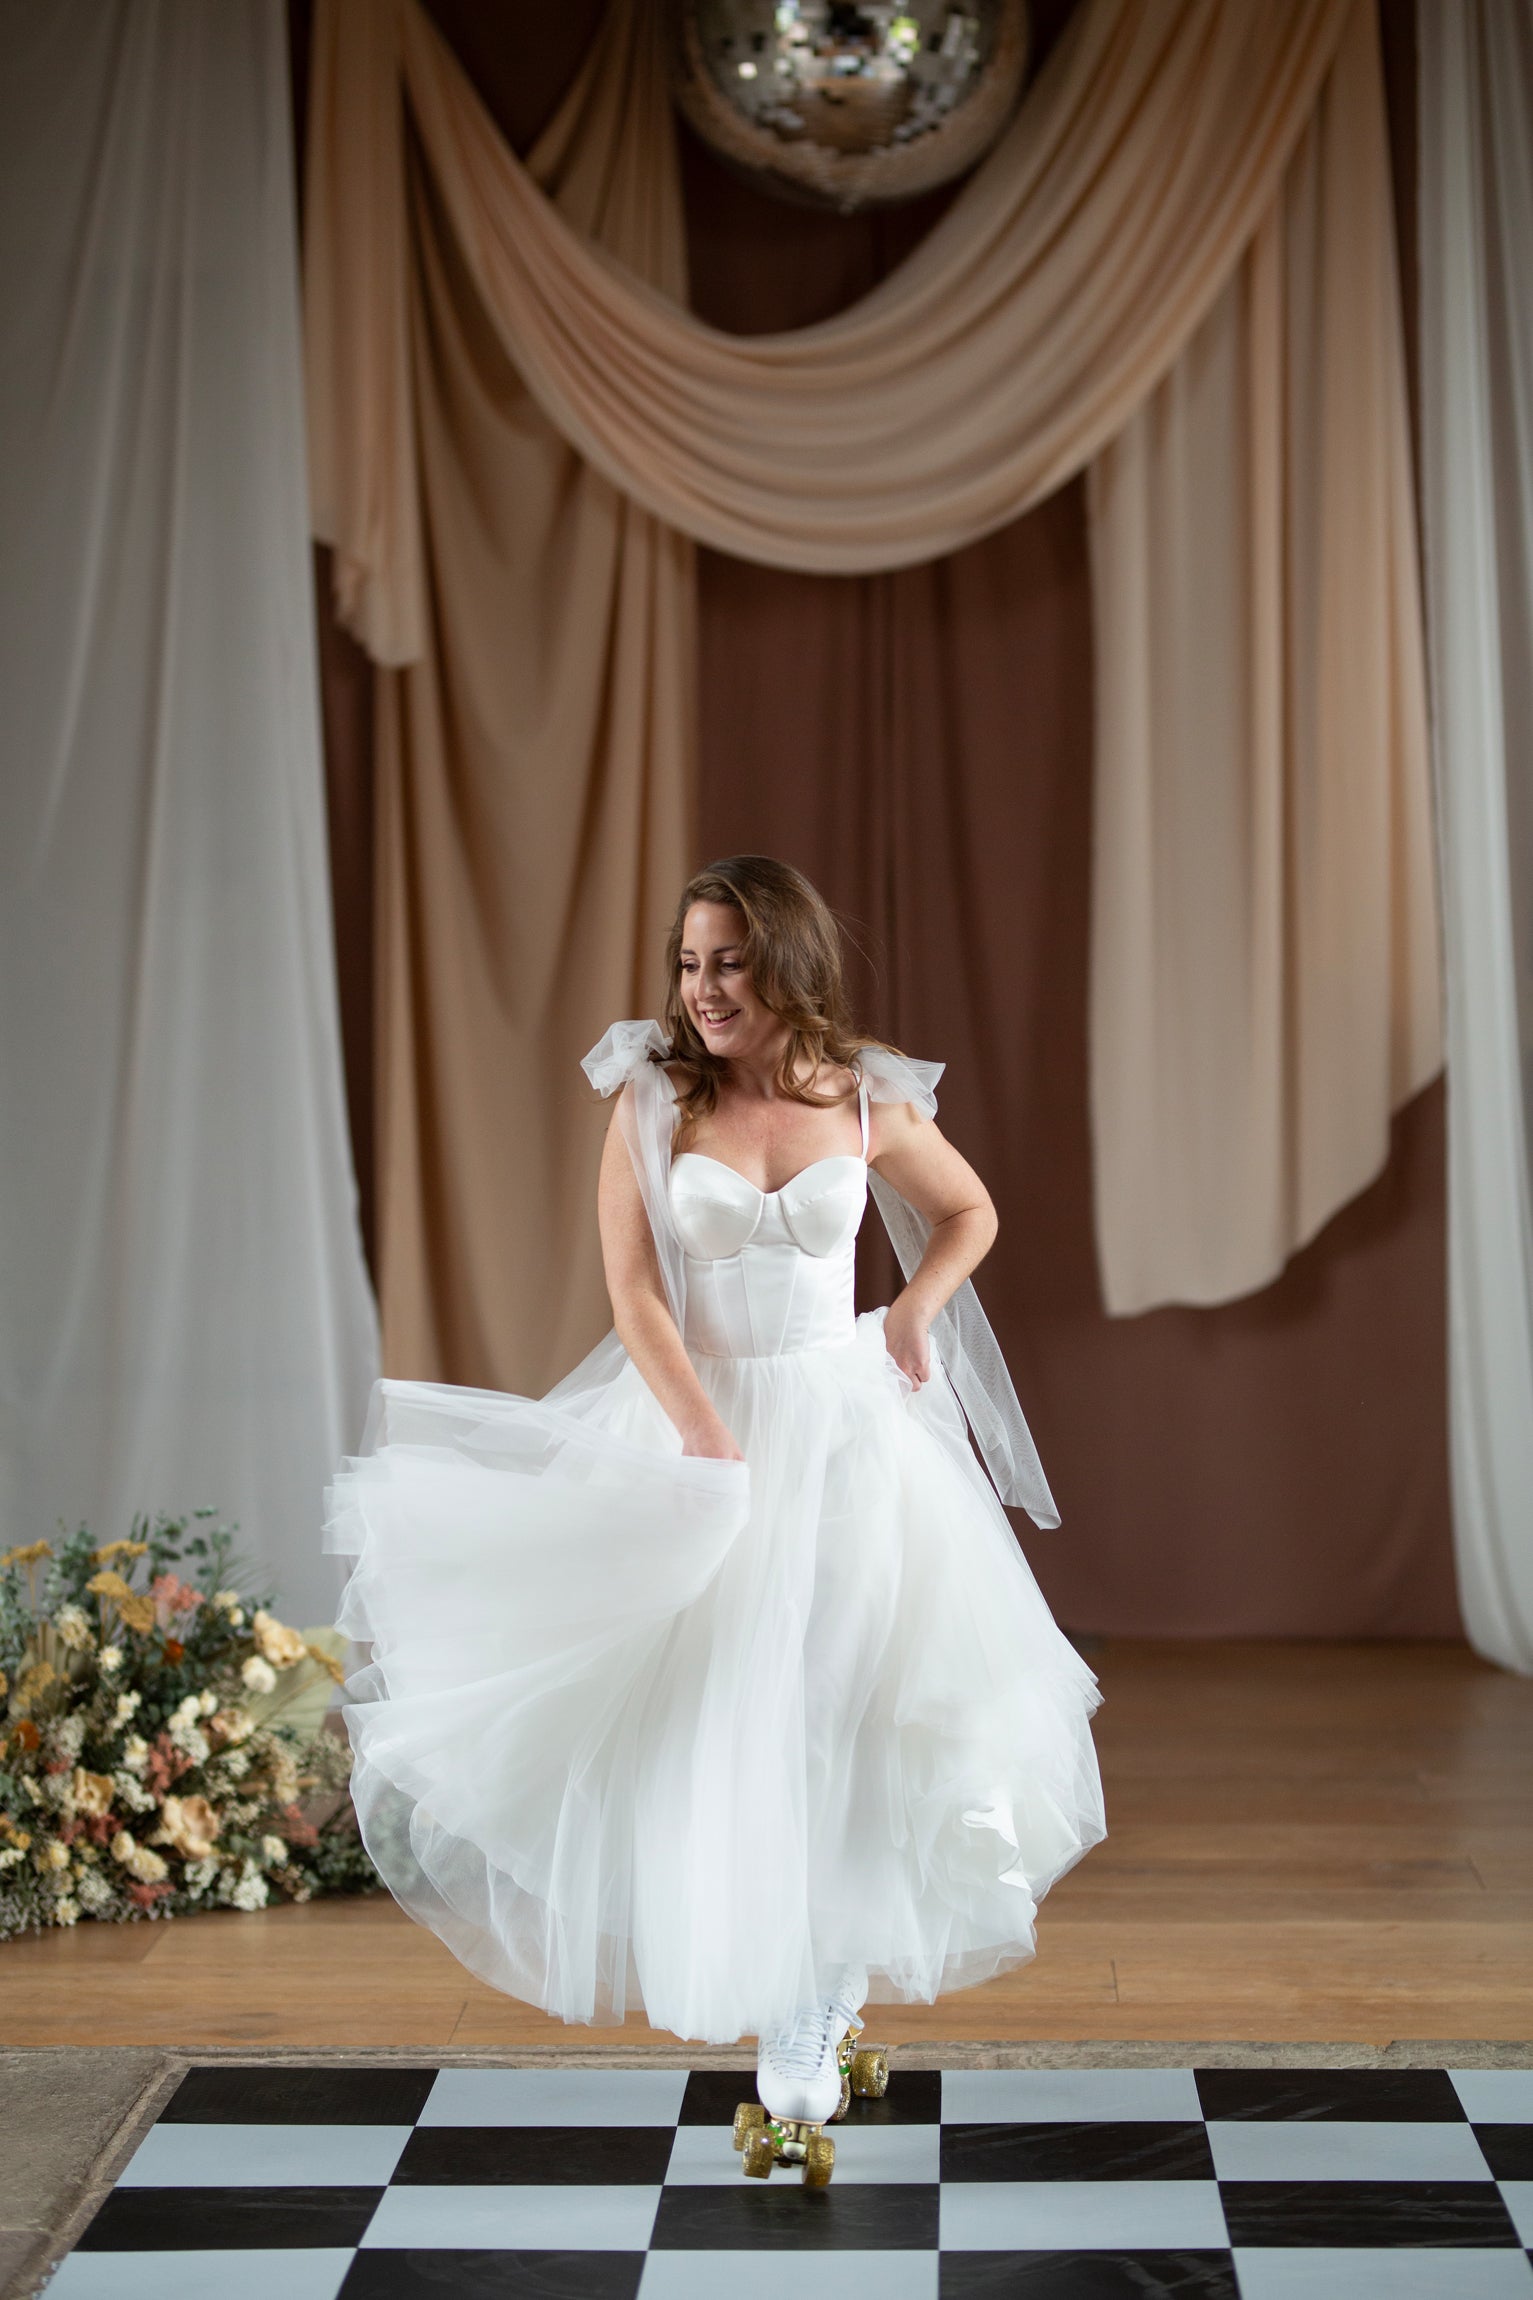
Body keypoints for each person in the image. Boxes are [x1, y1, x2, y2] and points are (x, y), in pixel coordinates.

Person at [327, 856, 1104, 2174]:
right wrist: (698, 1429)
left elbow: (966, 1210)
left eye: (727, 964)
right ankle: (786, 1972)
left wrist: (911, 1308)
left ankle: (813, 1994)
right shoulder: (646, 1097)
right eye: (688, 966)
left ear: (786, 965)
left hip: (850, 1431)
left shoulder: (862, 1093)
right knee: (728, 1715)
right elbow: (633, 1293)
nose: (702, 992)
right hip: (701, 1426)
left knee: (850, 1705)